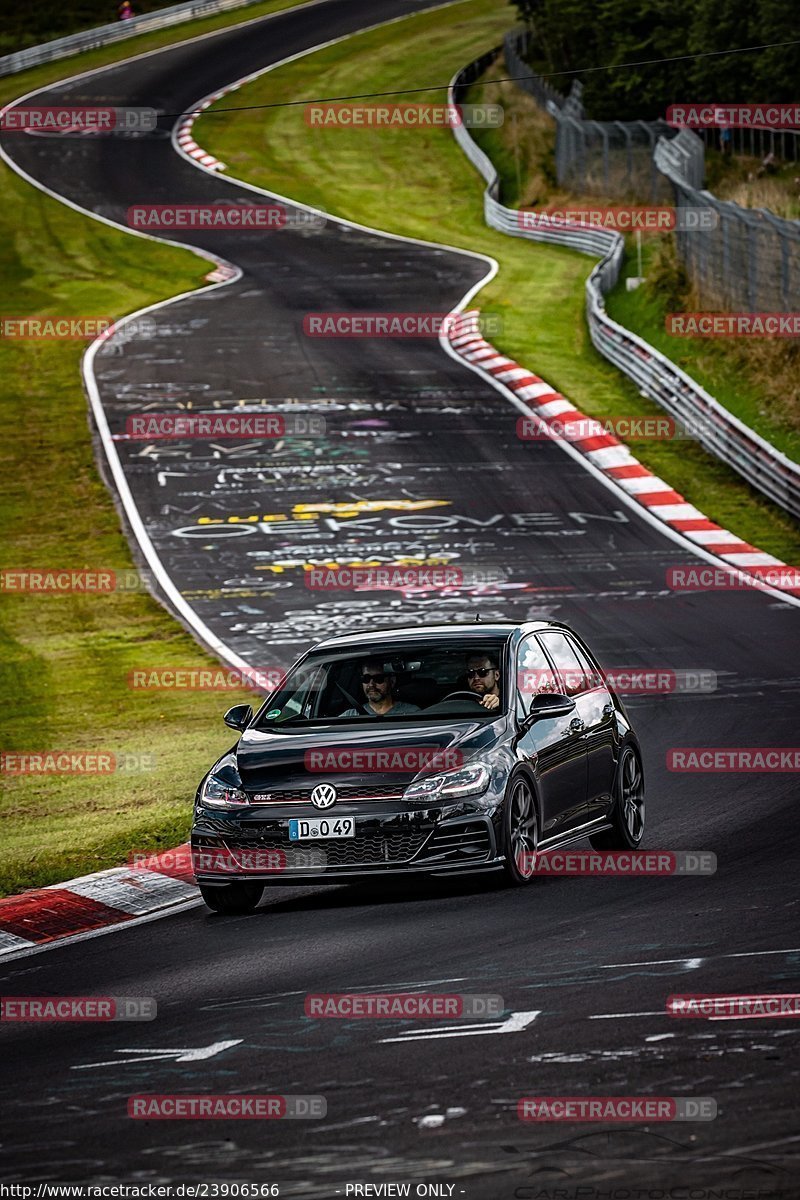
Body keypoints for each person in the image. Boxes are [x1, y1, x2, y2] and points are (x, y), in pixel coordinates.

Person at [339, 660, 421, 718]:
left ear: (392, 682)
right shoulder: (349, 716)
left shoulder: (411, 713)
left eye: (378, 678)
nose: (371, 684)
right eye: (366, 678)